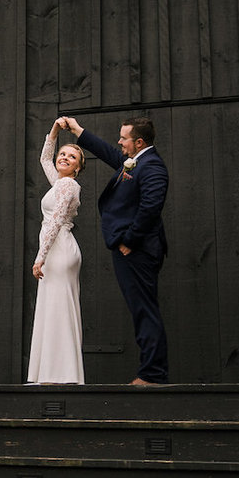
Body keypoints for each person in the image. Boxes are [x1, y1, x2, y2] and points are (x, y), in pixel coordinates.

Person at [61, 115, 169, 385]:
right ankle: (152, 372)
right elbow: (108, 152)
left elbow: (151, 207)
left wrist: (128, 241)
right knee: (140, 309)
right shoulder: (135, 160)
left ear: (139, 142)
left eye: (124, 139)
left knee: (145, 309)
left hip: (138, 250)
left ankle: (153, 375)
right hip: (131, 248)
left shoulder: (153, 166)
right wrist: (77, 131)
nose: (119, 142)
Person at [27, 119, 86, 384]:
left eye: (72, 156)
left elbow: (56, 221)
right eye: (63, 153)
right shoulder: (58, 183)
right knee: (52, 306)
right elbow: (44, 159)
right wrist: (53, 131)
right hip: (55, 247)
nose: (64, 157)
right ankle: (52, 372)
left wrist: (40, 257)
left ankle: (64, 374)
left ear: (77, 167)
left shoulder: (68, 186)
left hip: (59, 249)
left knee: (59, 307)